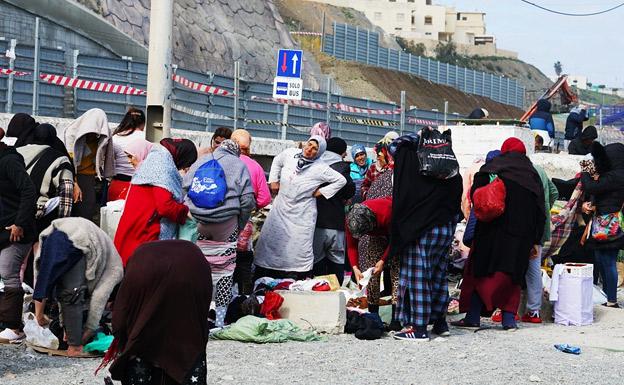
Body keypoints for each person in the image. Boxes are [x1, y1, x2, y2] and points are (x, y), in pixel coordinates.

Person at [454, 138, 545, 331]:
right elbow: (540, 210)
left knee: (481, 274)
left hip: (491, 233)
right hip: (521, 238)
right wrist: (535, 240)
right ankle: (509, 320)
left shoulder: (494, 168)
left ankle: (473, 317)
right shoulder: (531, 175)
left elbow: (476, 192)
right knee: (512, 278)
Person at [106, 240, 212, 385]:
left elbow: (121, 314)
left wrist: (122, 335)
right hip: (187, 349)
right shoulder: (194, 260)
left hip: (141, 349)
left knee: (140, 354)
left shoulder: (141, 260)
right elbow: (201, 312)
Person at [389, 133, 463, 341]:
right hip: (445, 226)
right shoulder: (444, 164)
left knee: (417, 276)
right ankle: (440, 322)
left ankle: (418, 327)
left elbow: (404, 201)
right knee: (438, 274)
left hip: (421, 229)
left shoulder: (411, 165)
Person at [184, 139, 255, 327]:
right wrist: (239, 224)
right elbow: (248, 200)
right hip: (226, 223)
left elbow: (185, 188)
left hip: (197, 222)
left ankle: (196, 315)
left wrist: (193, 213)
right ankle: (220, 320)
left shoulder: (202, 160)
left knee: (199, 268)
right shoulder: (239, 164)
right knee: (225, 271)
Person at [254, 136, 346, 279]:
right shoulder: (290, 153)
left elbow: (341, 180)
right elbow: (278, 160)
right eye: (309, 145)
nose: (310, 149)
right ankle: (265, 274)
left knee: (297, 249)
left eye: (315, 148)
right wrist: (273, 180)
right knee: (271, 242)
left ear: (319, 152)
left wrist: (322, 192)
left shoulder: (320, 167)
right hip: (281, 208)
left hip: (302, 214)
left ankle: (295, 277)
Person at [33, 218, 123, 357]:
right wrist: (87, 333)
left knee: (49, 283)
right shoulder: (116, 270)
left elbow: (60, 290)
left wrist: (66, 328)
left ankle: (47, 323)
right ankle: (75, 348)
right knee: (73, 294)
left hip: (51, 234)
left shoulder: (110, 262)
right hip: (79, 238)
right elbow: (98, 299)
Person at [115, 138, 197, 266]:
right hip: (146, 230)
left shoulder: (154, 159)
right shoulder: (163, 166)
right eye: (186, 164)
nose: (182, 167)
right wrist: (185, 211)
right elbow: (165, 206)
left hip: (135, 224)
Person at [0, 127, 37, 344]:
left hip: (16, 229)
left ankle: (13, 327)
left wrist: (19, 223)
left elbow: (28, 191)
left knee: (8, 272)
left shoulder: (9, 161)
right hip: (6, 225)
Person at [346, 197, 401, 329]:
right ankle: (373, 316)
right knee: (371, 273)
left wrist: (383, 260)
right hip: (377, 233)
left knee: (396, 271)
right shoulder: (351, 220)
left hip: (397, 229)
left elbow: (396, 240)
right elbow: (352, 246)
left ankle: (396, 319)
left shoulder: (387, 212)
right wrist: (355, 268)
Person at [580, 142, 624, 308]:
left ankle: (611, 300)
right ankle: (608, 295)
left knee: (608, 261)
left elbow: (592, 186)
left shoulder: (616, 176)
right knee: (602, 259)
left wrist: (585, 171)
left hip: (609, 224)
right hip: (605, 222)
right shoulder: (615, 174)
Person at [229, 129, 271, 294]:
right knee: (244, 261)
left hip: (220, 222)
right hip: (244, 221)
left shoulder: (220, 161)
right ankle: (245, 297)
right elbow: (265, 199)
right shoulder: (255, 166)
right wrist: (252, 207)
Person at [312, 137, 355, 284]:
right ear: (342, 152)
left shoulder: (314, 165)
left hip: (316, 223)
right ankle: (335, 297)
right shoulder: (343, 169)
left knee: (317, 263)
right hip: (336, 224)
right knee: (336, 262)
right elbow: (350, 191)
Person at [521, 163, 558, 323]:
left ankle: (509, 310)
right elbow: (555, 192)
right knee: (534, 268)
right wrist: (546, 207)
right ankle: (534, 310)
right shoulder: (540, 170)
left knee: (514, 266)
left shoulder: (517, 169)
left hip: (522, 226)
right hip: (541, 227)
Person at [63, 108, 115, 220]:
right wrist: (74, 182)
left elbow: (109, 155)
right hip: (74, 176)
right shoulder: (73, 132)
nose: (93, 135)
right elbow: (68, 160)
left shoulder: (103, 134)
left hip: (89, 177)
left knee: (87, 208)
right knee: (74, 209)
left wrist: (108, 175)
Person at [108, 108, 149, 201]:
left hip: (117, 184)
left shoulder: (115, 137)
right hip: (139, 186)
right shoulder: (147, 137)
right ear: (143, 123)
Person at [361, 134, 395, 200]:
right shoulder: (373, 167)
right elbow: (365, 185)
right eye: (377, 155)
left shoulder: (394, 170)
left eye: (380, 155)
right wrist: (367, 195)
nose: (378, 158)